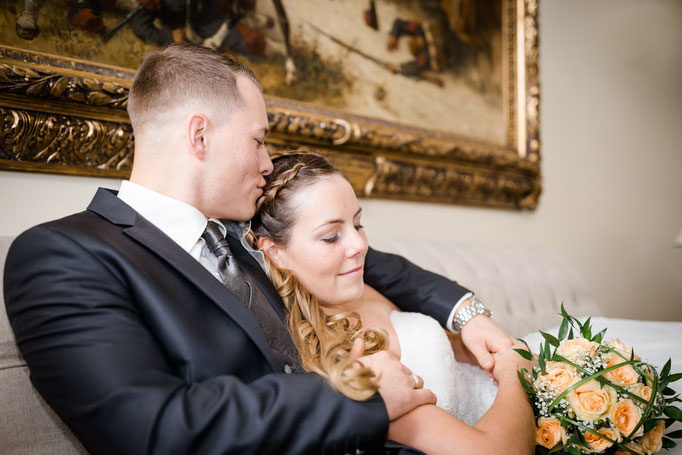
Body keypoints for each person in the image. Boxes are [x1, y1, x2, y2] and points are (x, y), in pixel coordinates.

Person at [4, 42, 511, 454]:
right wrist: (359, 394)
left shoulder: (240, 232)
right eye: (258, 140)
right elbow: (148, 429)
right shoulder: (62, 255)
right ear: (199, 136)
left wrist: (468, 314)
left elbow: (364, 259)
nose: (268, 162)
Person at [249, 152, 536, 455]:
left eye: (358, 224)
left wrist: (493, 350)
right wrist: (517, 376)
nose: (360, 245)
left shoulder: (361, 286)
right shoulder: (345, 361)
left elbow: (450, 354)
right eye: (332, 236)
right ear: (274, 252)